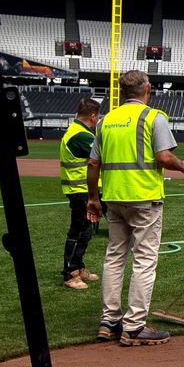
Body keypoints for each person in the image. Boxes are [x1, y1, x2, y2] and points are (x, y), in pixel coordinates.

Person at [86, 70, 184, 347]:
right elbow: (163, 156)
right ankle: (134, 326)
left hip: (114, 197)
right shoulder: (153, 116)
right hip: (144, 198)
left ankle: (109, 320)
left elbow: (93, 164)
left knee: (114, 257)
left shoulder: (106, 121)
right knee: (144, 259)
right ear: (147, 88)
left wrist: (92, 198)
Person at [59, 96, 103, 290]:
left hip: (82, 190)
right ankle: (70, 273)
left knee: (85, 231)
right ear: (93, 117)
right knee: (78, 231)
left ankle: (78, 266)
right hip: (80, 191)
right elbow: (102, 156)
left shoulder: (78, 132)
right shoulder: (80, 135)